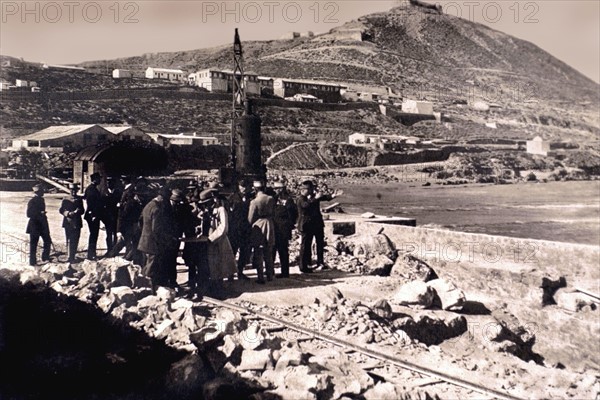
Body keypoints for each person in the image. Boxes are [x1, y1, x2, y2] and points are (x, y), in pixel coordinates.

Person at [296, 180, 342, 273]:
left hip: (317, 224)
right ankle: (304, 265)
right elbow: (305, 206)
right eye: (309, 189)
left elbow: (324, 197)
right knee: (305, 245)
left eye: (311, 189)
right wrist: (316, 198)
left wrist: (333, 196)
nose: (312, 191)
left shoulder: (313, 196)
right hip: (306, 225)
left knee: (320, 243)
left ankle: (320, 262)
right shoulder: (300, 198)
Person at [138, 187, 179, 288]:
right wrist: (167, 240)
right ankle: (148, 290)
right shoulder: (157, 209)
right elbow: (156, 230)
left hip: (144, 242)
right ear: (162, 198)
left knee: (146, 266)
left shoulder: (148, 205)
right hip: (153, 245)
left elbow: (140, 222)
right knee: (150, 270)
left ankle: (144, 287)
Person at [205, 190, 237, 295]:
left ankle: (220, 287)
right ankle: (214, 285)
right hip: (209, 241)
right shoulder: (208, 210)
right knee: (212, 264)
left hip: (219, 241)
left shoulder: (221, 210)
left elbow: (223, 227)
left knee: (221, 264)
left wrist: (212, 238)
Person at [248, 181, 276, 283]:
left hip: (259, 225)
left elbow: (250, 218)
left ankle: (260, 277)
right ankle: (270, 275)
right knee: (268, 251)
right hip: (269, 224)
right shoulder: (270, 199)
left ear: (255, 189)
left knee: (258, 252)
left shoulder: (254, 202)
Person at [227, 179, 253, 280]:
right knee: (232, 251)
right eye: (242, 186)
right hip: (234, 229)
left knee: (244, 251)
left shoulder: (250, 198)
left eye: (246, 186)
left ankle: (240, 271)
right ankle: (230, 273)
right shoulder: (233, 197)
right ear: (238, 186)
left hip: (245, 229)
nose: (244, 188)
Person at [272, 181, 298, 278]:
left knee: (283, 251)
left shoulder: (289, 200)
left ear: (283, 189)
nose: (277, 191)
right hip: (274, 228)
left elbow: (293, 214)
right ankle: (270, 271)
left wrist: (290, 225)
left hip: (283, 229)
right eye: (276, 189)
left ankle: (285, 272)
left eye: (279, 188)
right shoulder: (274, 199)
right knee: (272, 251)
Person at [26, 184, 52, 266]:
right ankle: (32, 262)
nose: (43, 192)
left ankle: (45, 257)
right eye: (42, 191)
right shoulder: (32, 201)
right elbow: (29, 214)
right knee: (34, 243)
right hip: (35, 225)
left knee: (47, 241)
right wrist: (40, 213)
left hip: (42, 224)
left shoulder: (41, 200)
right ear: (38, 192)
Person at [58, 183, 84, 264]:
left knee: (76, 239)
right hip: (68, 222)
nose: (73, 192)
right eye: (72, 190)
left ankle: (73, 255)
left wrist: (78, 211)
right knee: (69, 239)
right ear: (70, 190)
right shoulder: (66, 199)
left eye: (75, 190)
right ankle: (69, 257)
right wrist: (68, 213)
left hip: (77, 222)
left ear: (77, 191)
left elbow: (83, 210)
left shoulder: (79, 199)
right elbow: (61, 210)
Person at [84, 172, 103, 260]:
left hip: (93, 215)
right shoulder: (91, 190)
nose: (100, 180)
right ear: (95, 180)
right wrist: (93, 215)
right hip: (92, 216)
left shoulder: (92, 188)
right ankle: (91, 254)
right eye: (99, 179)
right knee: (93, 235)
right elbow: (90, 203)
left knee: (94, 235)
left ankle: (91, 253)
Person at [101, 176, 122, 255]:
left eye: (111, 182)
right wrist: (104, 219)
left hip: (115, 217)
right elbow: (102, 207)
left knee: (115, 235)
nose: (109, 184)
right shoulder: (104, 193)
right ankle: (109, 249)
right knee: (108, 235)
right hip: (108, 219)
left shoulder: (118, 193)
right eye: (108, 182)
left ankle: (114, 250)